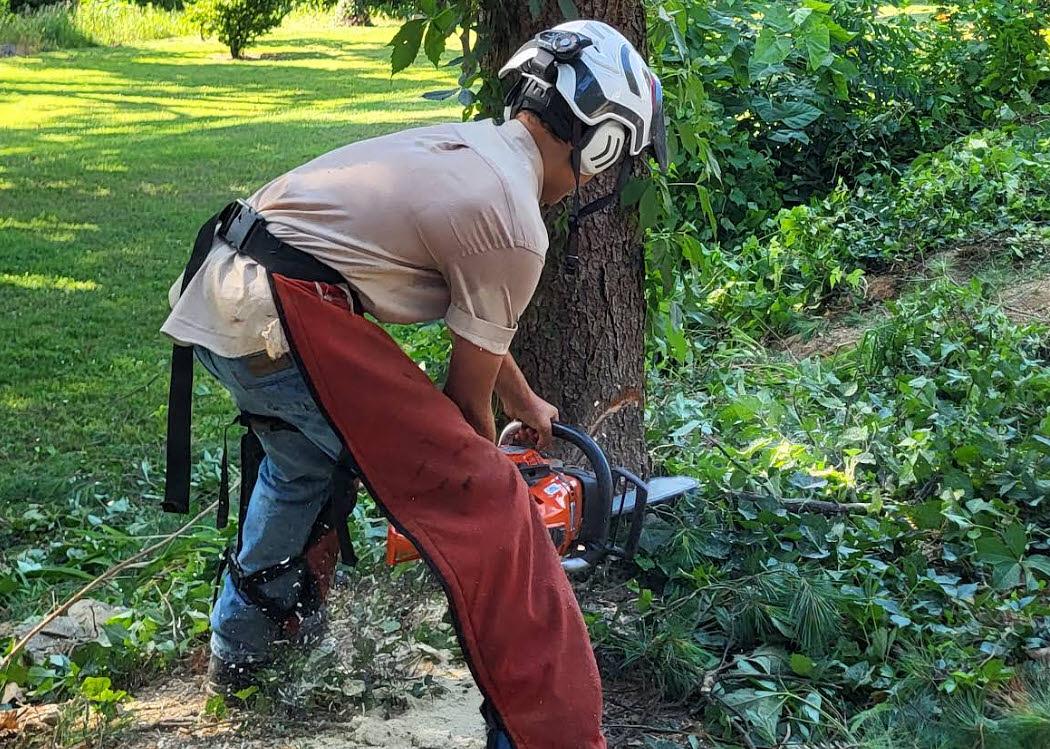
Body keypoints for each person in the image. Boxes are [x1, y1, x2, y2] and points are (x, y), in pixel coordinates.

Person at [160, 19, 666, 749]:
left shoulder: (482, 154)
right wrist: (495, 463)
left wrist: (521, 401)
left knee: (305, 464)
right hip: (276, 314)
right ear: (604, 139)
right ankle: (542, 731)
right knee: (487, 499)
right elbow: (465, 404)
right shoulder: (518, 221)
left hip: (221, 295)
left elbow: (478, 324)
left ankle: (243, 660)